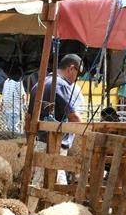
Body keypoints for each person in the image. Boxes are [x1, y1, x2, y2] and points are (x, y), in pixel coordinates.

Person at [26, 54, 84, 185]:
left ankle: (40, 204)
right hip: (55, 145)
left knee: (48, 180)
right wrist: (88, 131)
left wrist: (29, 141)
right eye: (78, 74)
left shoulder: (38, 85)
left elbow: (28, 117)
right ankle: (31, 205)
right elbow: (73, 116)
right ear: (71, 68)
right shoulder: (61, 85)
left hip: (41, 142)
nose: (76, 79)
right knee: (46, 182)